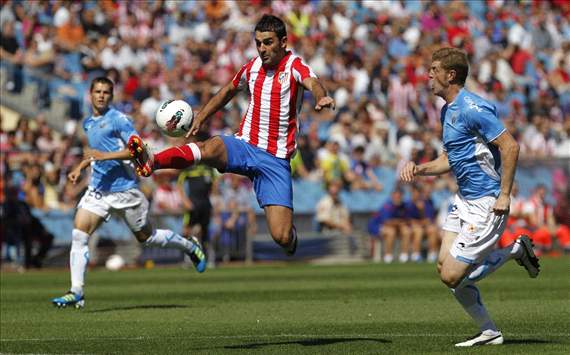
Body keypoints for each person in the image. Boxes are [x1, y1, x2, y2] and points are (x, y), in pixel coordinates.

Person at [127, 14, 335, 255]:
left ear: (283, 42)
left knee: (281, 235)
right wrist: (203, 115)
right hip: (245, 145)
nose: (262, 48)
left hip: (275, 160)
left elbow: (312, 82)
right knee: (209, 148)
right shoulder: (252, 67)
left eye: (268, 42)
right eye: (258, 43)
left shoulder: (294, 65)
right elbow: (227, 90)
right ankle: (153, 161)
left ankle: (291, 240)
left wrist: (321, 97)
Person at [400, 47, 540, 347]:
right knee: (443, 269)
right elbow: (450, 158)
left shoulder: (473, 108)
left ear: (450, 75)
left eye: (434, 69)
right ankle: (490, 331)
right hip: (463, 200)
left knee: (452, 276)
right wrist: (419, 168)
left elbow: (511, 147)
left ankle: (515, 250)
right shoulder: (447, 110)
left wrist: (504, 195)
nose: (428, 75)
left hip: (487, 203)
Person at [51, 77, 206, 309]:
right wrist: (80, 167)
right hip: (98, 190)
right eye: (98, 91)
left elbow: (137, 148)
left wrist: (104, 157)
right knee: (79, 234)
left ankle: (189, 246)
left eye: (106, 92)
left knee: (147, 238)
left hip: (125, 190)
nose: (101, 95)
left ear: (111, 97)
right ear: (90, 95)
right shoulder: (88, 123)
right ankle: (76, 291)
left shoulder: (119, 119)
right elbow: (92, 153)